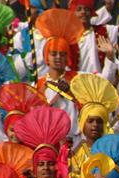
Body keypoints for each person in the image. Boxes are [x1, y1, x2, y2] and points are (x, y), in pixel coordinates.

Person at [68, 73, 119, 178]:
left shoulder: (111, 153)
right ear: (82, 124)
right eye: (90, 121)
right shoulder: (76, 153)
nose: (95, 125)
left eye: (99, 121)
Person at [34, 9, 83, 137]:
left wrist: (70, 92)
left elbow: (85, 107)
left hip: (74, 139)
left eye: (62, 54)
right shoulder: (40, 84)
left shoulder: (76, 79)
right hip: (51, 139)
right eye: (53, 54)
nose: (57, 58)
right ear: (46, 56)